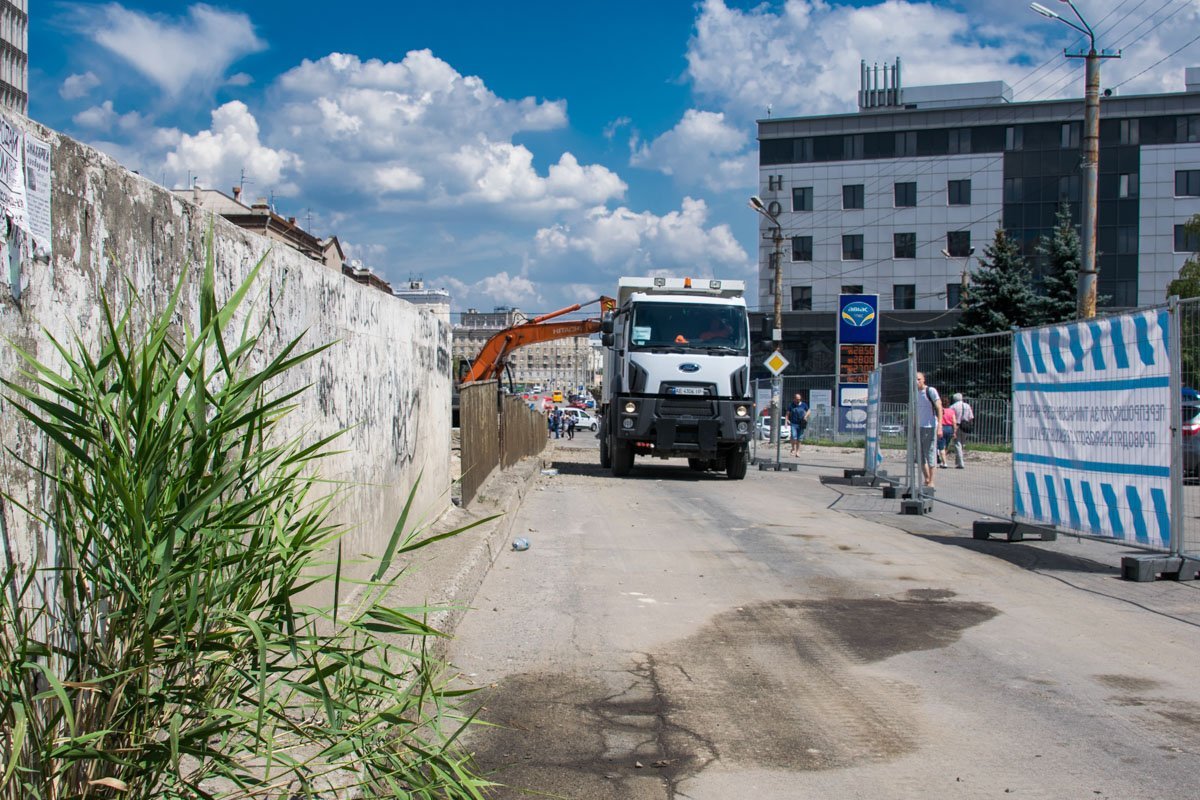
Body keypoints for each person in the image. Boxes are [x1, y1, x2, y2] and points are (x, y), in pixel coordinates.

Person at [916, 372, 942, 488]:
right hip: (918, 427)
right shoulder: (915, 393)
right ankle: (926, 478)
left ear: (923, 379)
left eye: (919, 379)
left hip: (929, 427)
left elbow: (939, 407)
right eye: (915, 379)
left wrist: (940, 426)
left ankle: (932, 480)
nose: (917, 382)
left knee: (930, 454)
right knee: (920, 456)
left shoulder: (930, 391)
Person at [949, 393, 974, 469]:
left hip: (956, 425)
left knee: (957, 444)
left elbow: (951, 417)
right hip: (966, 426)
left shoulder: (953, 406)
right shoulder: (967, 405)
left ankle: (960, 462)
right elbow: (971, 417)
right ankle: (958, 461)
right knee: (962, 444)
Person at [937, 402, 957, 468]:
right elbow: (954, 422)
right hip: (949, 428)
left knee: (941, 446)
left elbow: (937, 420)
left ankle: (944, 462)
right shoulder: (952, 411)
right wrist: (955, 431)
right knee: (946, 445)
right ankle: (943, 460)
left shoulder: (940, 410)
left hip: (942, 428)